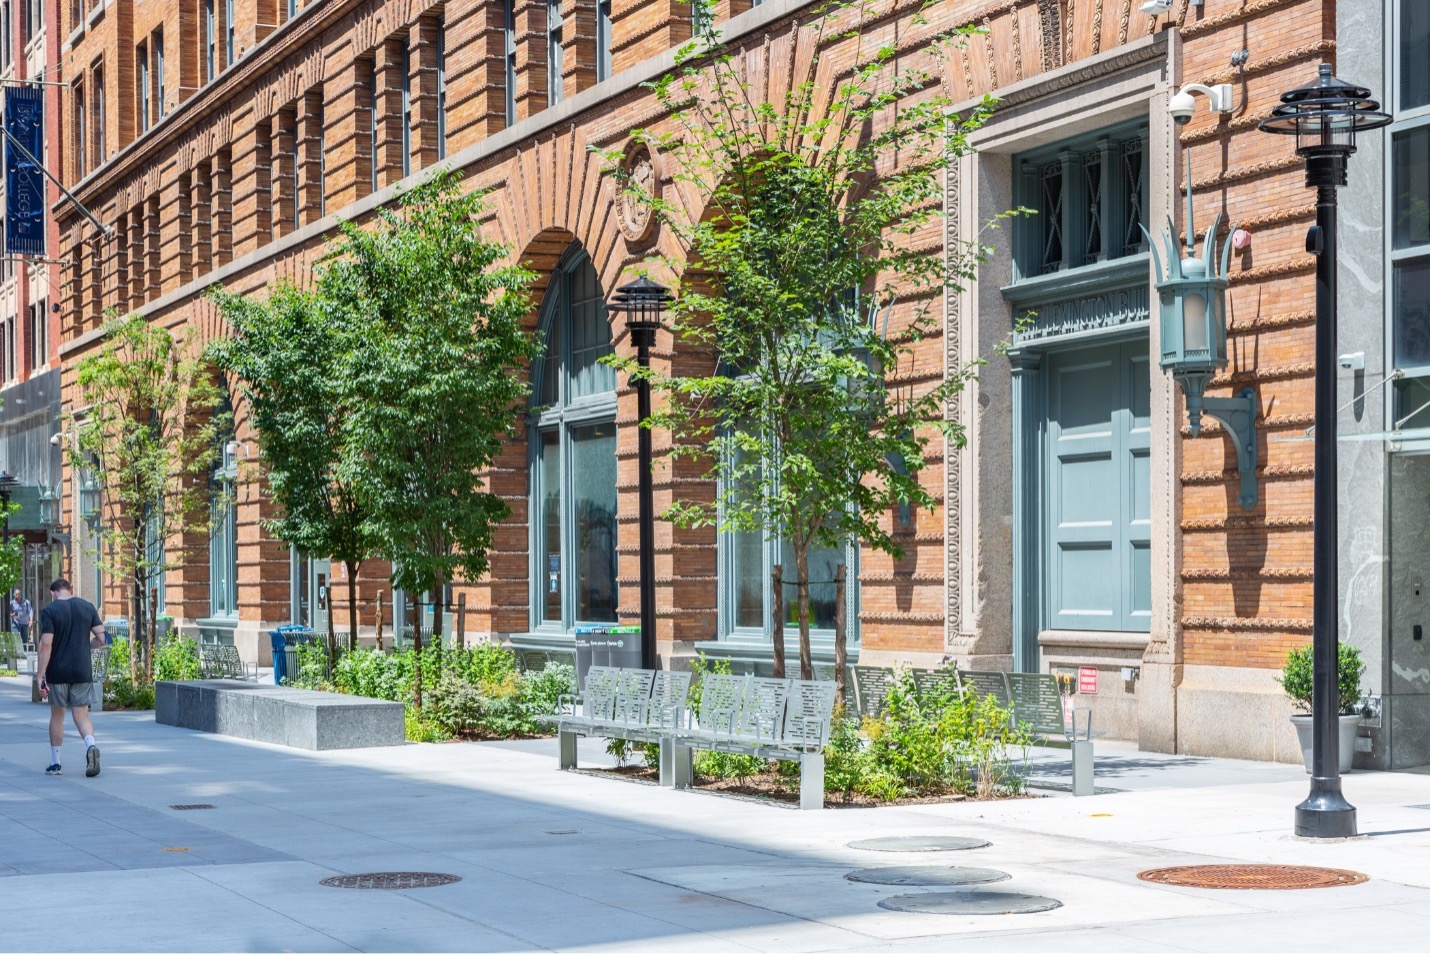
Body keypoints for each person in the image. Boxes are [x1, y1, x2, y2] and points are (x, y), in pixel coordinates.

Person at [35, 579, 106, 777]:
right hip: (82, 671)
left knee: (57, 716)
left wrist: (40, 675)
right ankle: (91, 746)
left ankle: (56, 763)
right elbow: (102, 639)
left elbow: (46, 645)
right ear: (71, 590)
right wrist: (87, 645)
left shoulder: (50, 611)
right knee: (81, 716)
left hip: (58, 672)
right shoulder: (88, 607)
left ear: (52, 593)